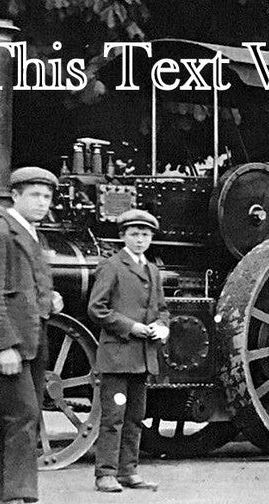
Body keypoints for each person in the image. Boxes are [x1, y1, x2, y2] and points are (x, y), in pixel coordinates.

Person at [0, 167, 64, 504]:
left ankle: (4, 493)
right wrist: (4, 347)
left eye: (47, 196)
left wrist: (50, 301)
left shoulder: (33, 235)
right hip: (11, 344)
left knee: (22, 417)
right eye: (34, 195)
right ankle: (18, 495)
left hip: (33, 340)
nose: (42, 202)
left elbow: (35, 284)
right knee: (25, 415)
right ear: (15, 196)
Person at [87, 210, 169, 494]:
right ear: (123, 236)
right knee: (113, 417)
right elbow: (96, 309)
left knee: (135, 417)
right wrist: (130, 327)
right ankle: (105, 474)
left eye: (145, 235)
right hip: (118, 356)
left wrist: (162, 327)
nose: (140, 240)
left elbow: (161, 310)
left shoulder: (153, 270)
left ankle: (128, 471)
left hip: (143, 356)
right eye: (134, 234)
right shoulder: (112, 266)